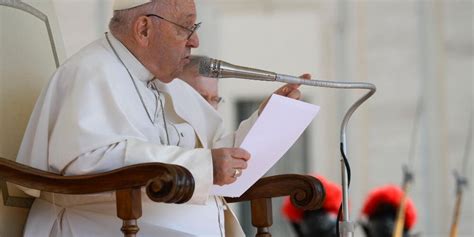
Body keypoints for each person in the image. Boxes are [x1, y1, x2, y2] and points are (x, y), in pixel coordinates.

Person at [16, 0, 310, 236]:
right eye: (185, 27)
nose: (195, 41)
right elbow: (87, 161)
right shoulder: (90, 71)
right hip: (96, 224)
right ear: (143, 29)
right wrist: (204, 166)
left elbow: (215, 153)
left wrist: (265, 119)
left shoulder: (168, 85)